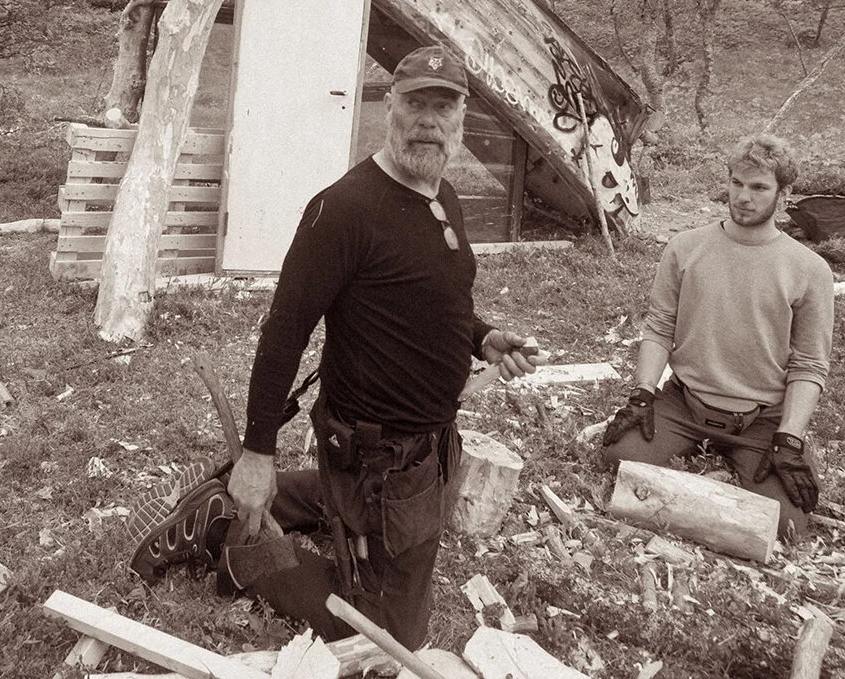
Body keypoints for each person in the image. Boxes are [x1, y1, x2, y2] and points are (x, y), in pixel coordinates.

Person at [128, 45, 538, 649]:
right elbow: (283, 335)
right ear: (389, 107)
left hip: (425, 447)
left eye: (442, 107)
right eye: (414, 104)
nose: (427, 121)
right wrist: (257, 454)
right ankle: (231, 539)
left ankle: (251, 500)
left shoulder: (439, 195)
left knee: (390, 534)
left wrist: (482, 337)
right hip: (374, 454)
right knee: (391, 632)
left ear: (462, 117)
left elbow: (431, 297)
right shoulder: (343, 210)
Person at [601, 133, 834, 539]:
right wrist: (642, 394)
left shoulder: (809, 270)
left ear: (784, 193)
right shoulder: (685, 248)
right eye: (737, 184)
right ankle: (691, 447)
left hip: (762, 419)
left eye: (759, 187)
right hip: (686, 404)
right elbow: (659, 326)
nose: (744, 197)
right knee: (618, 457)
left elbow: (810, 364)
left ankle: (755, 455)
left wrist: (790, 439)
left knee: (787, 524)